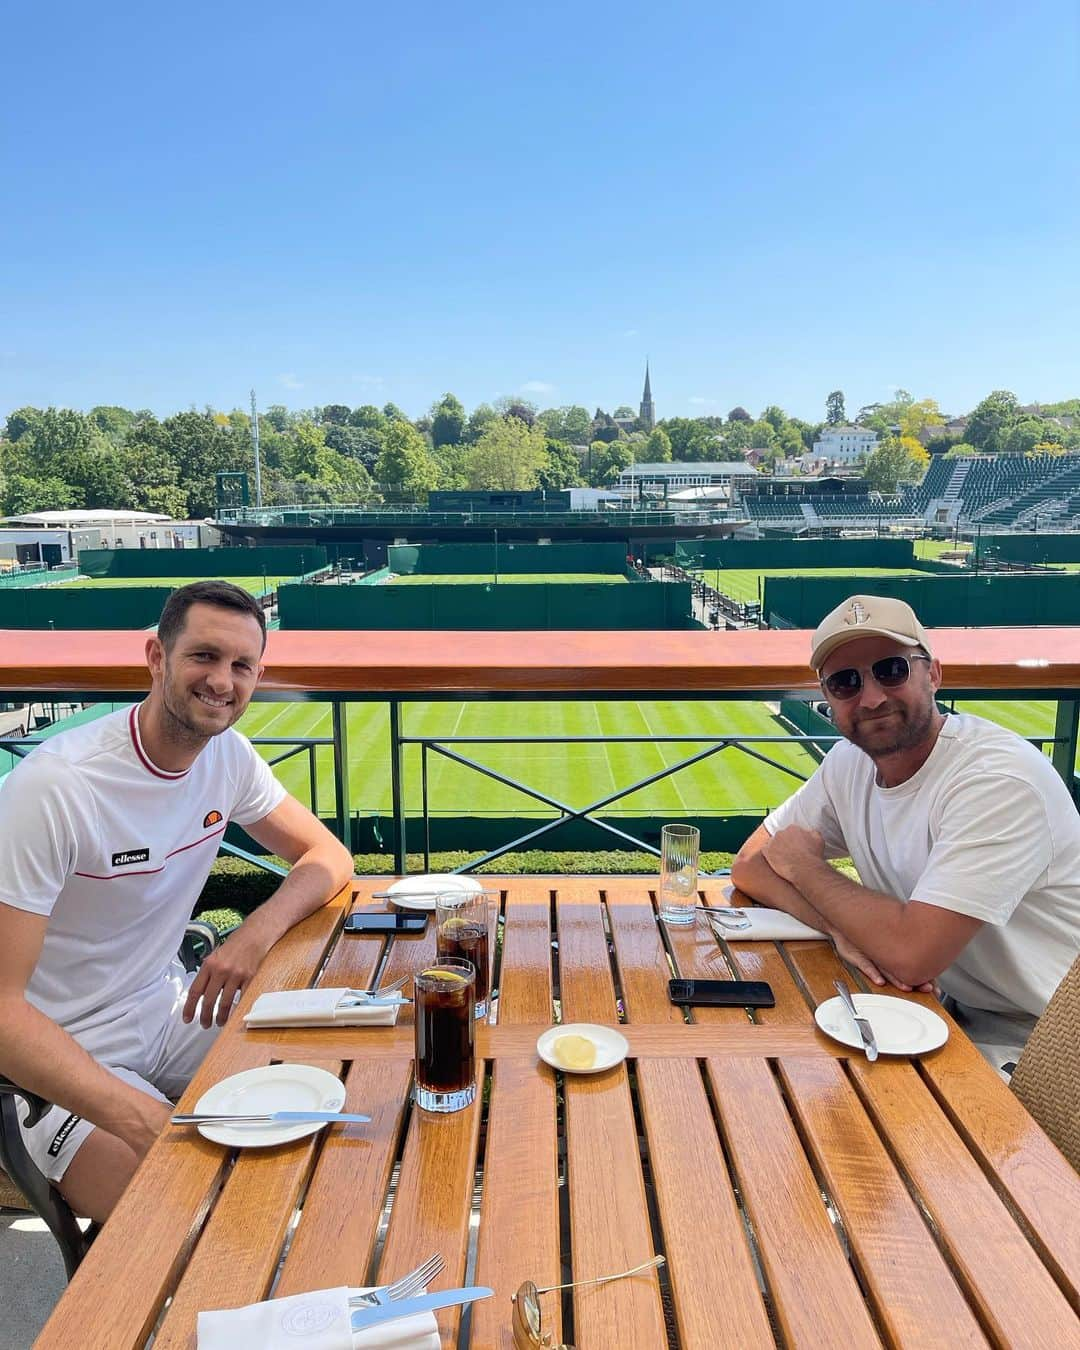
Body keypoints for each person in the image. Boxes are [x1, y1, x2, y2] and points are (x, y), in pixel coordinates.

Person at [0, 580, 354, 1220]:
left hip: (171, 1009)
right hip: (60, 1059)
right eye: (204, 656)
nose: (223, 680)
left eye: (242, 665)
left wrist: (252, 936)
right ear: (156, 657)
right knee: (199, 1214)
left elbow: (328, 858)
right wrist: (142, 1119)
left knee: (337, 1083)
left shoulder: (229, 758)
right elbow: (2, 1012)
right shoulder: (55, 788)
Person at [731, 593, 1080, 1070]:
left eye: (891, 670)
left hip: (1046, 1038)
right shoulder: (849, 764)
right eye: (845, 682)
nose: (871, 697)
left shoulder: (996, 781)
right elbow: (751, 866)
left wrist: (805, 867)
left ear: (932, 673)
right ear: (828, 699)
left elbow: (911, 956)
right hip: (947, 1010)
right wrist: (838, 929)